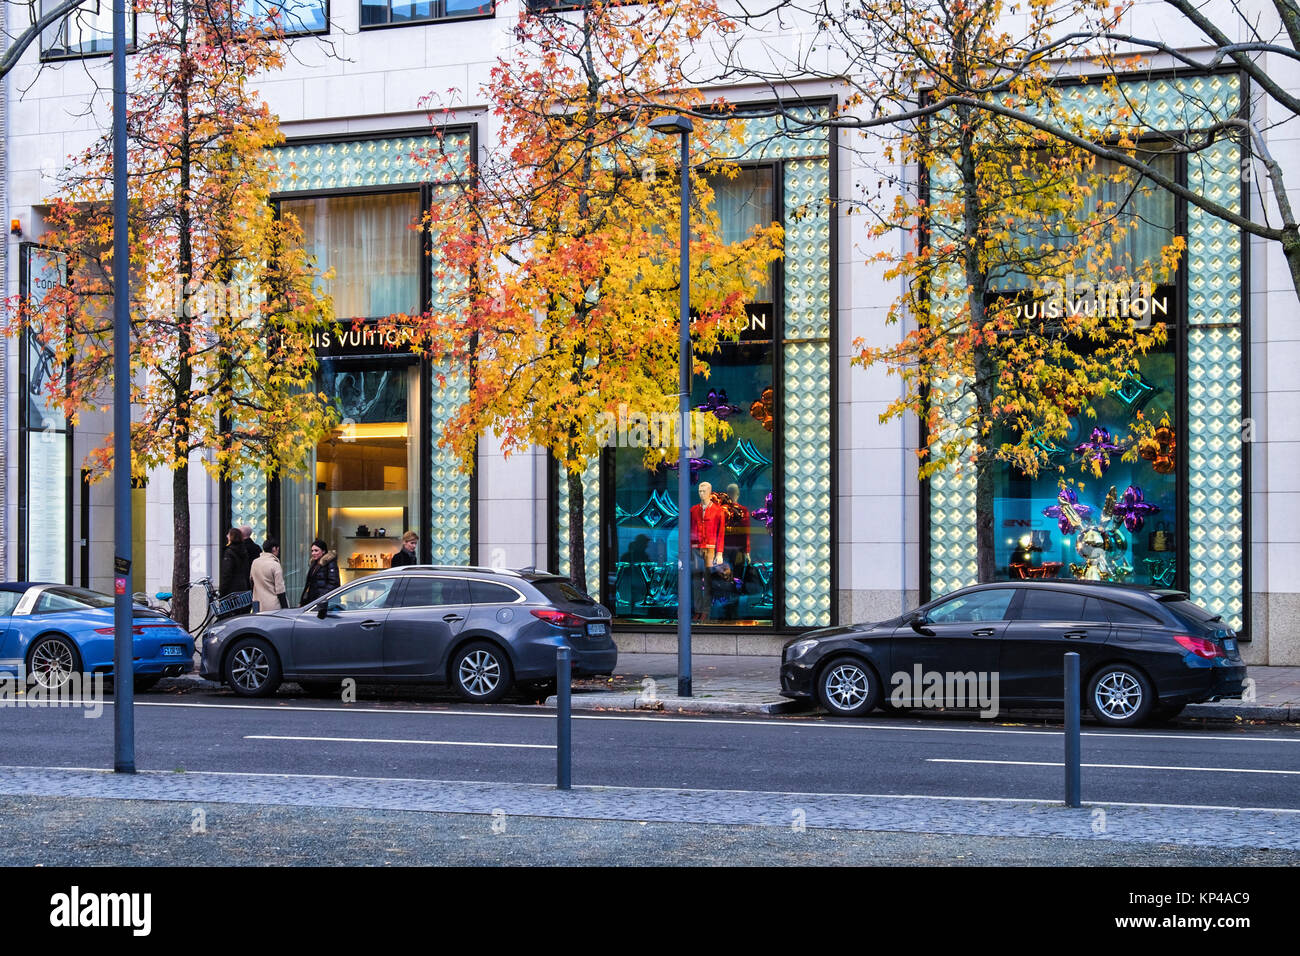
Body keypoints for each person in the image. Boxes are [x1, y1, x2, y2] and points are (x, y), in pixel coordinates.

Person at [688, 481, 726, 622]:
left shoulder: (718, 511)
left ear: (710, 492)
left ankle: (706, 610)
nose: (701, 493)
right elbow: (690, 530)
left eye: (704, 491)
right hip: (695, 549)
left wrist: (719, 553)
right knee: (696, 581)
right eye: (699, 491)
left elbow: (720, 533)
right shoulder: (693, 510)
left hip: (710, 549)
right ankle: (698, 610)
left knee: (709, 581)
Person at [250, 538, 288, 613]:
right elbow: (280, 590)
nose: (278, 551)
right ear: (274, 548)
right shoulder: (275, 564)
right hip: (273, 607)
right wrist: (286, 609)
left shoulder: (255, 562)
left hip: (257, 605)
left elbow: (251, 581)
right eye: (278, 549)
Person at [300, 538, 339, 605]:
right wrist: (302, 601)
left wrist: (320, 598)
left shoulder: (330, 563)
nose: (313, 553)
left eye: (316, 550)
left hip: (324, 603)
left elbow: (334, 584)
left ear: (323, 551)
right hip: (313, 602)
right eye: (312, 551)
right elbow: (308, 584)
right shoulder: (314, 564)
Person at [219, 527, 252, 597]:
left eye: (228, 534)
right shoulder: (244, 551)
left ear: (231, 537)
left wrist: (221, 591)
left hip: (231, 590)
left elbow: (226, 573)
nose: (227, 536)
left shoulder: (229, 552)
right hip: (243, 588)